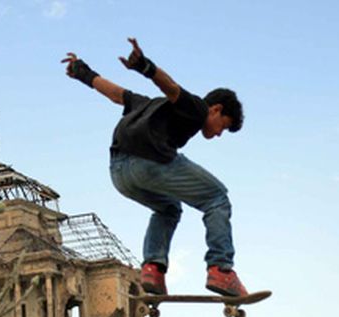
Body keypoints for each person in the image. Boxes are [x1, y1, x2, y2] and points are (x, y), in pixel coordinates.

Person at [62, 38, 248, 297]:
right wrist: (145, 66)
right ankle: (222, 270)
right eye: (223, 127)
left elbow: (115, 93)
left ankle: (153, 269)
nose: (218, 134)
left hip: (119, 173)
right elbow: (172, 88)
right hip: (150, 162)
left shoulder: (146, 103)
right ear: (216, 109)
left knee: (168, 208)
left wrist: (82, 72)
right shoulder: (197, 108)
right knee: (217, 198)